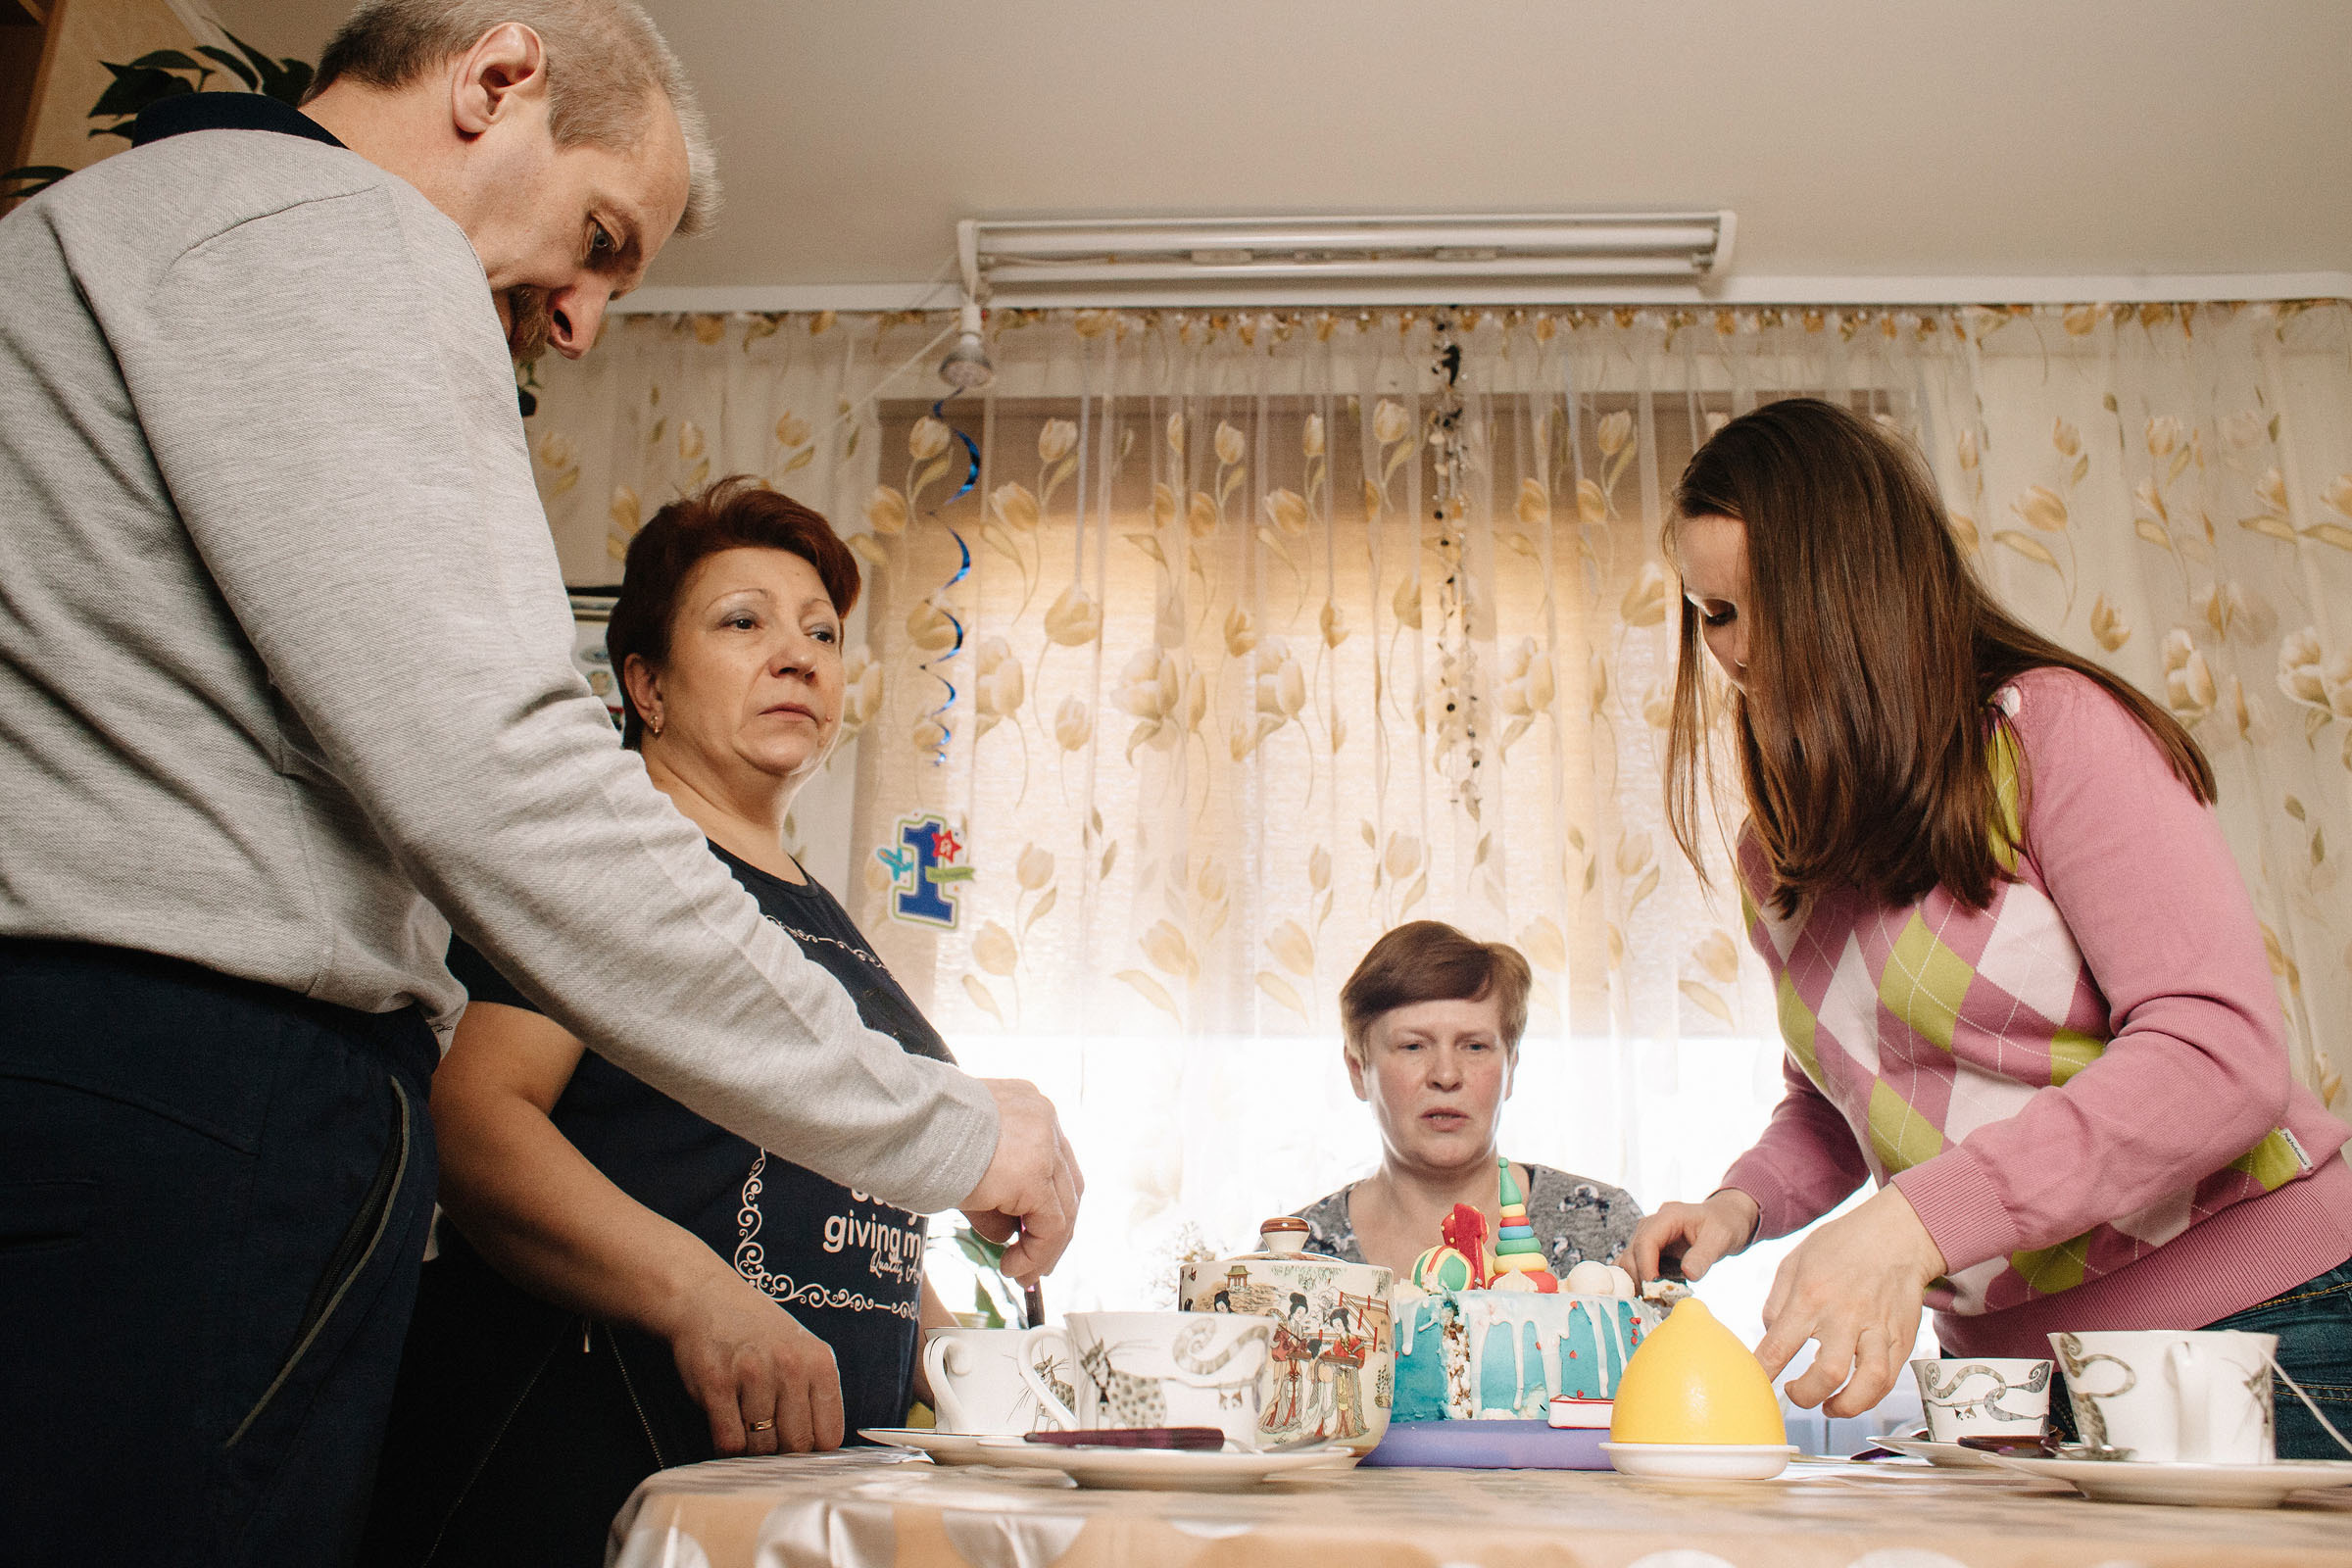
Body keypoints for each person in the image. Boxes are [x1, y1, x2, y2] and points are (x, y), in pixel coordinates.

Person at [0, 5, 1076, 1564]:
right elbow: (507, 776)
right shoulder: (333, 229)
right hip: (193, 1106)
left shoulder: (93, 234)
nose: (575, 325)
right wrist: (950, 1135)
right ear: (497, 80)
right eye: (597, 240)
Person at [1618, 397, 2352, 1458]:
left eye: (1765, 600)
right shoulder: (1775, 849)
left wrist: (1913, 1222)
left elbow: (2217, 1056)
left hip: (2261, 1335)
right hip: (2010, 1382)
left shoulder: (2054, 731)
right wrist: (1741, 1206)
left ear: (1859, 588)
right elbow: (1841, 1100)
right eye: (1713, 611)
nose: (1735, 650)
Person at [363, 478, 965, 1565]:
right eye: (743, 622)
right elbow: (475, 1115)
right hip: (579, 1469)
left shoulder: (823, 918)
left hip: (775, 1509)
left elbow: (828, 1177)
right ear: (644, 683)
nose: (798, 654)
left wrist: (948, 1350)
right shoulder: (615, 862)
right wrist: (698, 1293)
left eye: (821, 632)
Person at [1290, 921, 1642, 1281]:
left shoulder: (1608, 1226)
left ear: (1511, 1068)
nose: (1446, 1075)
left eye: (1474, 1046)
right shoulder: (1289, 1259)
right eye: (1413, 1046)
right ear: (1357, 1069)